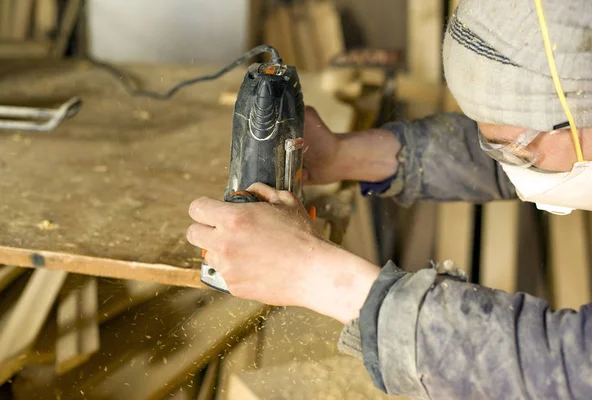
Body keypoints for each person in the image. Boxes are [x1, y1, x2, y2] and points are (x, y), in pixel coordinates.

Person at [187, 0, 592, 398]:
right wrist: (350, 155)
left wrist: (315, 274)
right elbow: (529, 153)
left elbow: (567, 369)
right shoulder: (567, 125)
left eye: (513, 149)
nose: (509, 163)